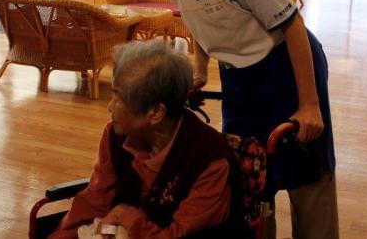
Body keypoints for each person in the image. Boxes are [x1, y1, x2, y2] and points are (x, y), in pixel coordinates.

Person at [95, 0, 339, 238]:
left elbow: (292, 23)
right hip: (239, 76)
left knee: (308, 177)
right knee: (246, 177)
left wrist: (309, 105)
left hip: (286, 66)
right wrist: (199, 68)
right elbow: (200, 19)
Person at [51, 41, 236, 238]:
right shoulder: (116, 135)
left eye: (119, 98)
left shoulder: (209, 161)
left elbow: (177, 235)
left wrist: (126, 215)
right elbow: (95, 201)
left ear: (156, 112)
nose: (110, 107)